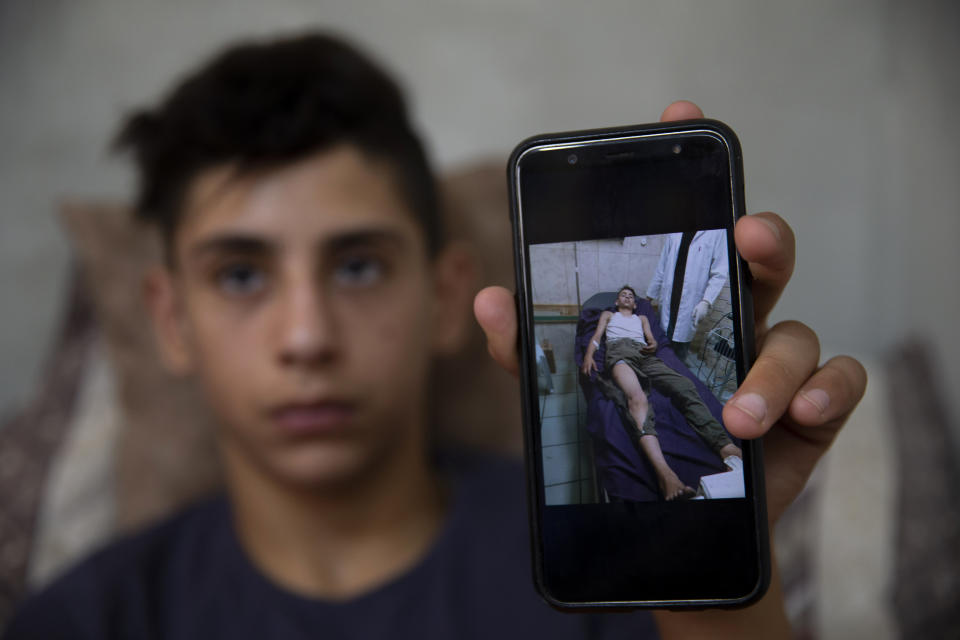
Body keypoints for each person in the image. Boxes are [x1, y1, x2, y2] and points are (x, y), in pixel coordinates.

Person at [2, 31, 867, 640]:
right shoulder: (83, 620)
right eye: (240, 275)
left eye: (358, 267)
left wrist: (725, 598)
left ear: (448, 297)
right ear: (170, 320)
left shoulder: (610, 575)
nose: (306, 338)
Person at [581, 285, 741, 500]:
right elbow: (596, 336)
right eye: (623, 296)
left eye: (630, 296)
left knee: (685, 386)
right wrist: (589, 355)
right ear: (617, 302)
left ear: (635, 304)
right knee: (637, 398)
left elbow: (652, 340)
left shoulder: (642, 319)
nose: (627, 298)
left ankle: (725, 447)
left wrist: (653, 344)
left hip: (645, 356)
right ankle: (665, 475)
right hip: (619, 353)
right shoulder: (608, 314)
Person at [646, 229, 728, 360]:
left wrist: (706, 301)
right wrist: (649, 297)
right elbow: (662, 267)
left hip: (690, 304)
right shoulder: (674, 230)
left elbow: (719, 273)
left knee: (680, 348)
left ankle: (677, 375)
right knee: (662, 344)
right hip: (669, 300)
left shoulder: (717, 232)